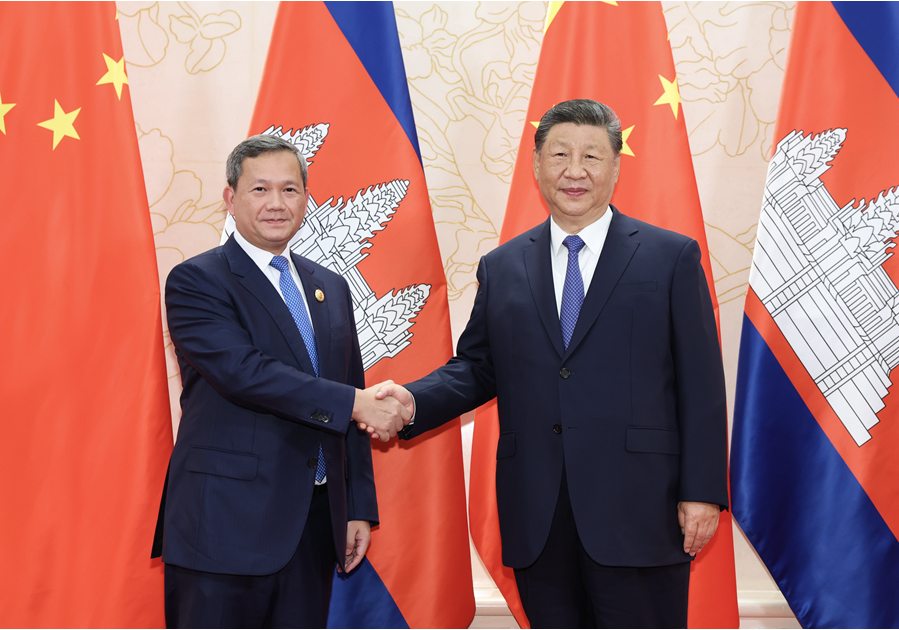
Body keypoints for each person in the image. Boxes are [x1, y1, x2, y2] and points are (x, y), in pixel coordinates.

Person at [372, 100, 728, 628]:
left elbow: (702, 384)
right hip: (538, 509)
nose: (574, 170)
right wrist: (412, 400)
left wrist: (702, 493)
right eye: (560, 154)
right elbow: (478, 367)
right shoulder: (503, 265)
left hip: (640, 508)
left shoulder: (670, 256)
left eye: (592, 156)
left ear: (616, 166)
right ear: (537, 165)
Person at [151, 134, 410, 628]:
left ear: (306, 199)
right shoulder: (197, 280)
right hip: (224, 526)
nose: (276, 203)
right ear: (230, 199)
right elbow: (245, 373)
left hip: (311, 527)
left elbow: (349, 386)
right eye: (260, 189)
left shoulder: (330, 286)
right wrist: (357, 403)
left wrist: (356, 506)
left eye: (290, 190)